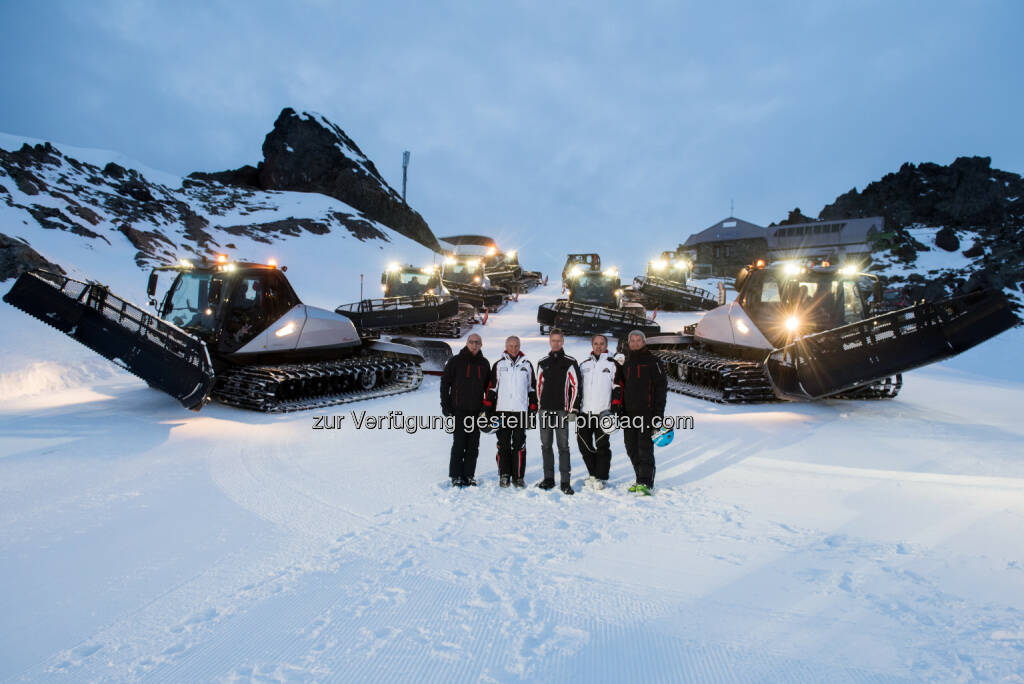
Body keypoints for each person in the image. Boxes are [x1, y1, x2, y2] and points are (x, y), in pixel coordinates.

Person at [616, 330, 667, 496]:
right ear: (628, 343)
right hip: (628, 414)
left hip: (648, 413)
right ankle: (639, 479)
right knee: (631, 448)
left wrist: (658, 415)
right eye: (633, 340)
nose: (636, 343)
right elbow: (620, 386)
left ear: (644, 342)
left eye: (639, 340)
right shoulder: (626, 362)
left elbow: (661, 389)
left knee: (645, 448)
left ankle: (646, 483)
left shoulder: (654, 361)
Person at [484, 335, 537, 488]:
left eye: (516, 345)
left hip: (520, 411)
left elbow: (532, 389)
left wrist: (532, 409)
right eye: (511, 346)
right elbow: (492, 388)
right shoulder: (499, 365)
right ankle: (504, 474)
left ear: (520, 346)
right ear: (506, 346)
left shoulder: (526, 365)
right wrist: (487, 409)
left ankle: (519, 476)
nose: (514, 348)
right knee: (503, 443)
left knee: (519, 444)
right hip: (502, 411)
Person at [440, 333, 490, 487]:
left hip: (476, 411)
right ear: (467, 343)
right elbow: (445, 383)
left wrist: (486, 408)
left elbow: (489, 387)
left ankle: (469, 475)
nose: (474, 345)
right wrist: (446, 405)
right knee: (459, 444)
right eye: (471, 342)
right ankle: (455, 476)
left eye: (477, 342)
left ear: (481, 345)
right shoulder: (456, 361)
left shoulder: (484, 363)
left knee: (473, 445)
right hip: (459, 410)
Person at [535, 328, 581, 495]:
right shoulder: (542, 362)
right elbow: (538, 387)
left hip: (562, 411)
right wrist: (539, 408)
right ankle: (548, 478)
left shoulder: (569, 362)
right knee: (546, 445)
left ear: (563, 342)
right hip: (545, 411)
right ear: (550, 341)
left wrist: (572, 409)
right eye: (553, 340)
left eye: (559, 340)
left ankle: (565, 481)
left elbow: (576, 386)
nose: (556, 343)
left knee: (563, 446)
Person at [577, 334, 621, 490]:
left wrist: (615, 410)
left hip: (604, 413)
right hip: (585, 413)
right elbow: (577, 389)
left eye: (601, 343)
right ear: (592, 345)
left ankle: (601, 477)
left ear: (606, 345)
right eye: (595, 343)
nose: (598, 346)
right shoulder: (584, 365)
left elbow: (617, 388)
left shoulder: (613, 364)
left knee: (602, 445)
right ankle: (593, 473)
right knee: (584, 445)